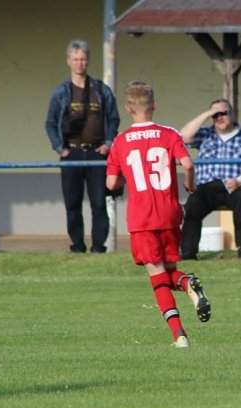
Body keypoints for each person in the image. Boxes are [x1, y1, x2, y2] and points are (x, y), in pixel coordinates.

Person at [106, 81, 210, 348]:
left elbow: (111, 183)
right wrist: (189, 183)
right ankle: (187, 283)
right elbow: (187, 163)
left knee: (157, 278)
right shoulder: (169, 134)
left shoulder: (120, 141)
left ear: (128, 108)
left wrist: (121, 182)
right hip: (170, 214)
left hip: (142, 218)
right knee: (169, 271)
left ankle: (179, 334)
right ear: (154, 105)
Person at [45, 39, 120, 254]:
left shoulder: (100, 90)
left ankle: (98, 246)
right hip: (72, 152)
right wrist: (61, 149)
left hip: (97, 153)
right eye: (76, 59)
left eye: (83, 59)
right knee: (72, 203)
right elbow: (50, 123)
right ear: (69, 61)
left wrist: (108, 144)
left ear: (88, 61)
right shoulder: (61, 92)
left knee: (99, 202)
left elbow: (113, 119)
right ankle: (77, 245)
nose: (80, 63)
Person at [180, 99, 241, 260]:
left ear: (232, 115)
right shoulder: (205, 134)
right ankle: (188, 251)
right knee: (193, 204)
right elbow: (184, 136)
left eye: (223, 113)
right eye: (215, 115)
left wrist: (240, 180)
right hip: (208, 187)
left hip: (236, 184)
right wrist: (206, 114)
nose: (219, 117)